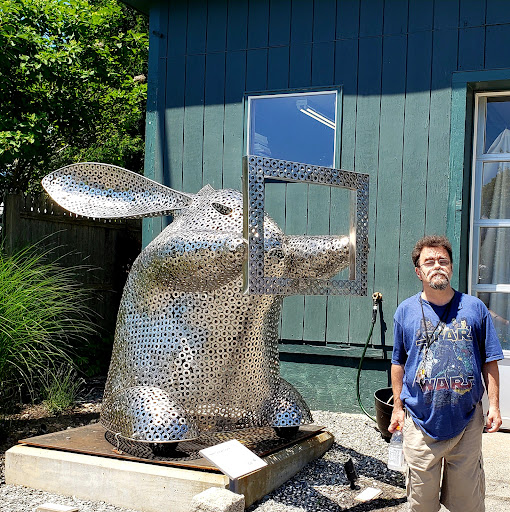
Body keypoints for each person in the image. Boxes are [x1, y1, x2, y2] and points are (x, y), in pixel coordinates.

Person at [388, 235, 503, 512]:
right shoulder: (405, 311)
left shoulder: (474, 308)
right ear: (419, 272)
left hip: (467, 423)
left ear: (451, 267)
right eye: (429, 262)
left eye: (443, 260)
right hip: (420, 423)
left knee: (468, 504)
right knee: (421, 505)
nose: (437, 266)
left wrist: (495, 406)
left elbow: (490, 360)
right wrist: (398, 408)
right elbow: (398, 363)